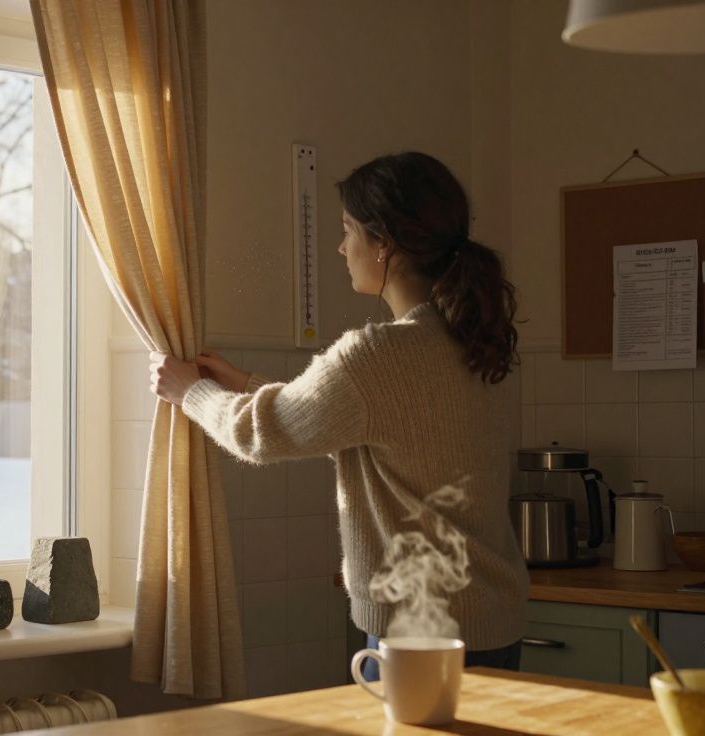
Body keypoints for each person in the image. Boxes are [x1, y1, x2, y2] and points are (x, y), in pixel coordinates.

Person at [149, 151, 529, 679]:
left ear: (384, 244)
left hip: (417, 633)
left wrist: (190, 392)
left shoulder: (376, 354)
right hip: (495, 623)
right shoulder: (474, 343)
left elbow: (261, 434)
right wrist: (246, 383)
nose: (341, 247)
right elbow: (367, 424)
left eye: (349, 230)